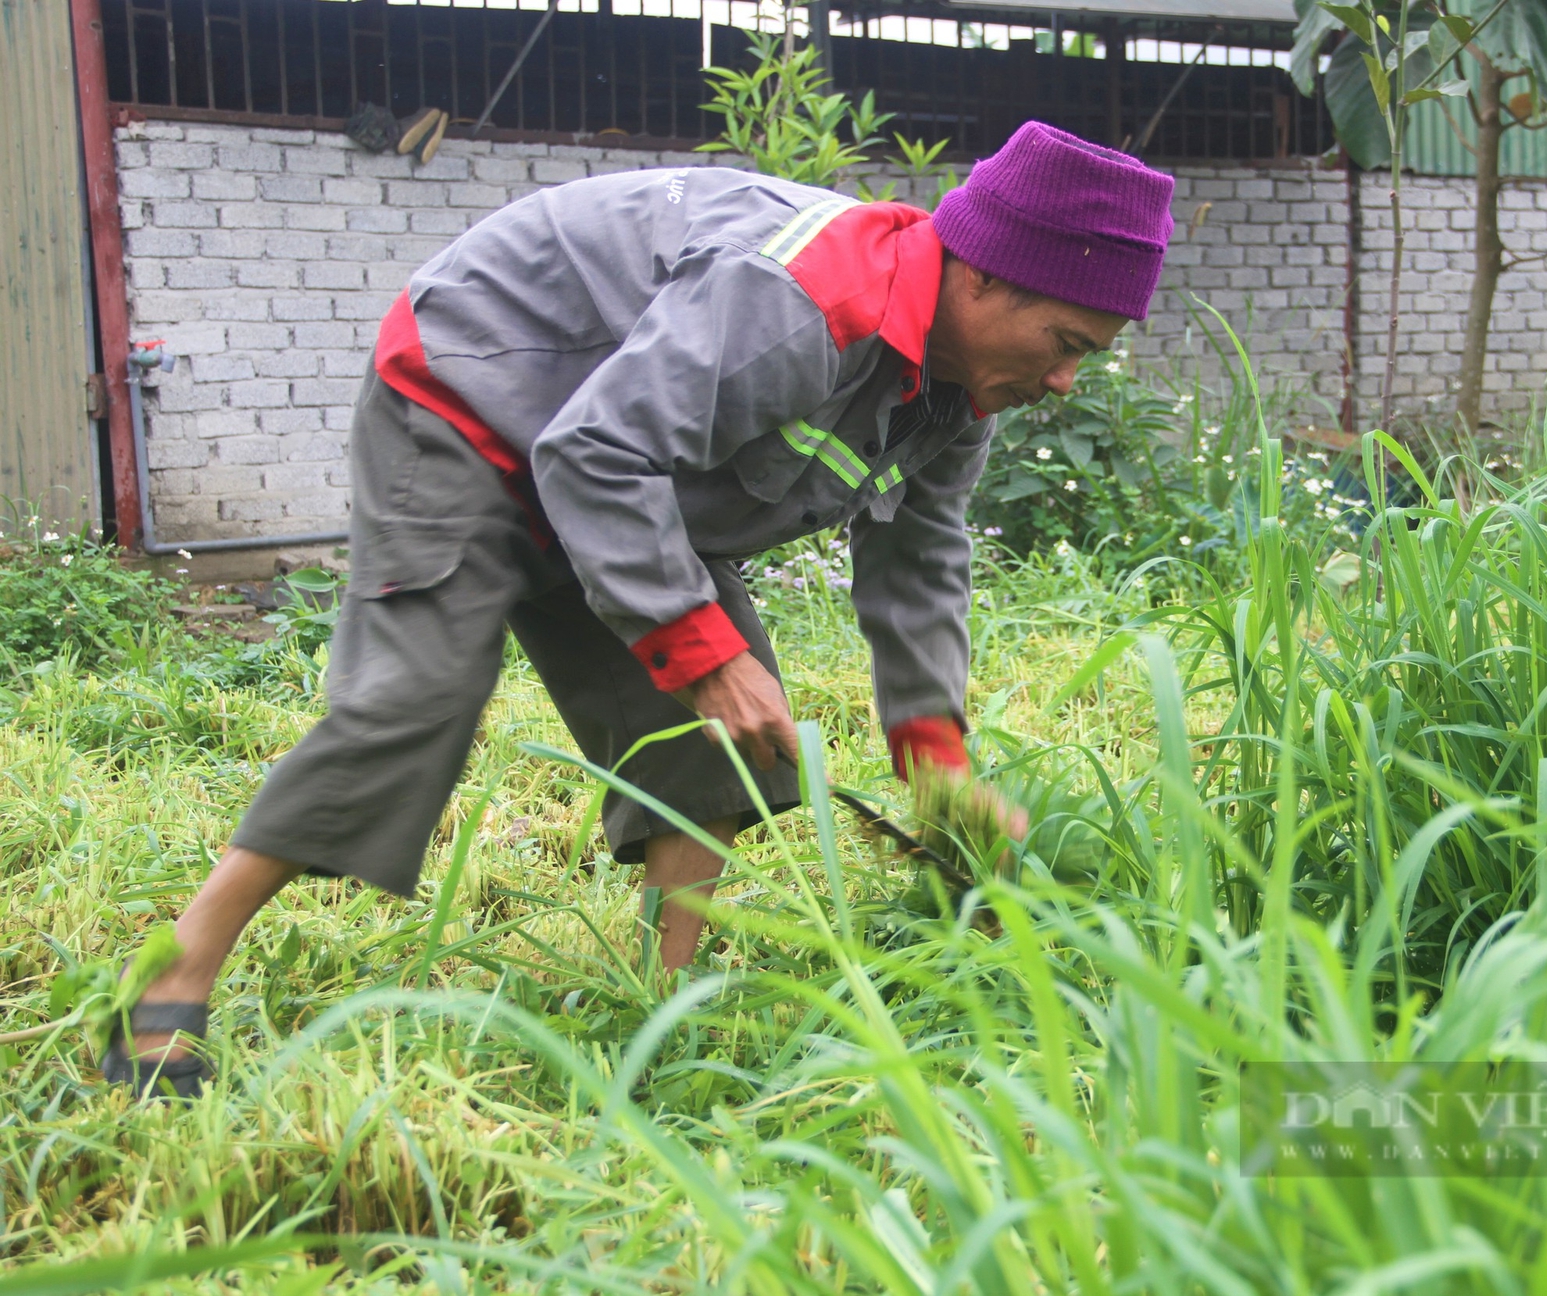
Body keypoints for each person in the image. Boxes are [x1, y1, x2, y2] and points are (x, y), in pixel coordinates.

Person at [104, 121, 1177, 1094]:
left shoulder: (951, 396)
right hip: (468, 407)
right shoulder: (802, 299)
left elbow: (919, 560)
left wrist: (935, 756)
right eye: (1067, 344)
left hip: (617, 477)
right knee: (413, 701)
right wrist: (699, 648)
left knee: (723, 753)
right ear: (983, 278)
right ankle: (167, 983)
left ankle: (662, 1013)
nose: (1065, 384)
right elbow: (596, 448)